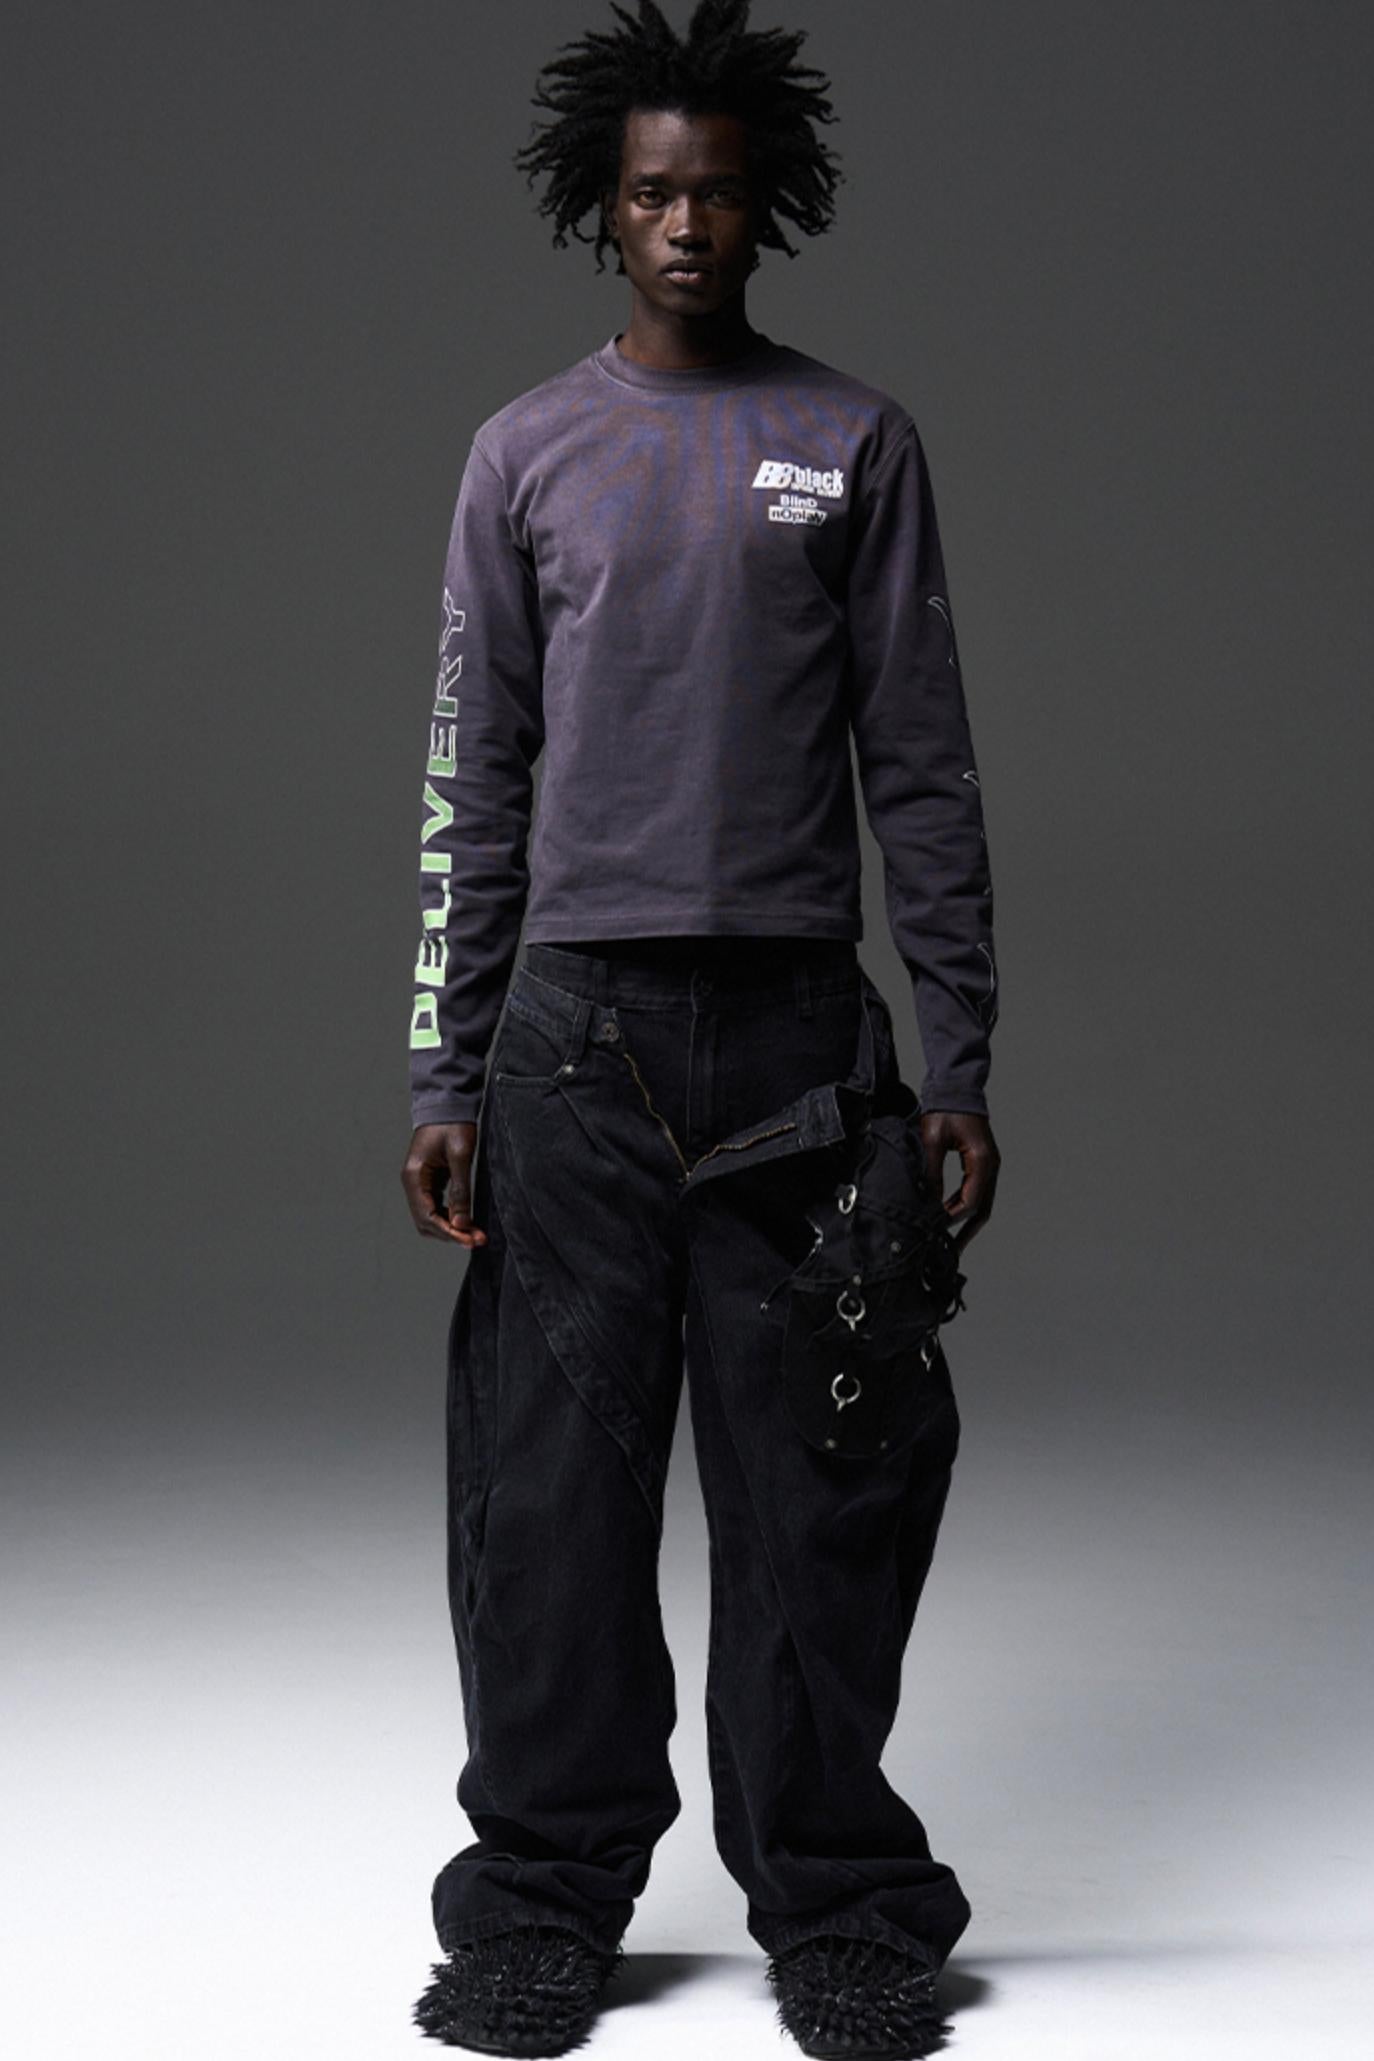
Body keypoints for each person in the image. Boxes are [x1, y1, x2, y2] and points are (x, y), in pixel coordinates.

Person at [399, 3, 1001, 2053]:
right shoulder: (524, 454)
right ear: (604, 207)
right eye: (652, 191)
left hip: (797, 1054)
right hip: (571, 1048)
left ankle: (837, 1899)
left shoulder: (855, 442)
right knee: (550, 1502)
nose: (684, 223)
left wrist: (958, 1058)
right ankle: (539, 1900)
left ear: (768, 207)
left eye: (718, 192)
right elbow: (470, 782)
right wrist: (445, 1065)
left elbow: (923, 769)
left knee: (819, 1490)